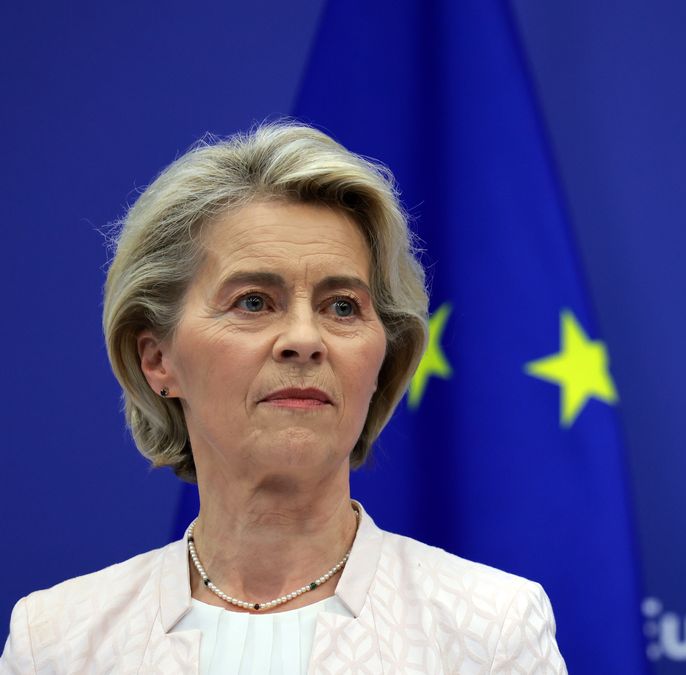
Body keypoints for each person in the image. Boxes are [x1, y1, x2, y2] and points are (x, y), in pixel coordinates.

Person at [0, 122, 567, 674]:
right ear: (158, 359)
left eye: (342, 306)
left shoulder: (491, 632)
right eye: (253, 301)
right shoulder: (57, 641)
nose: (304, 339)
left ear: (384, 358)